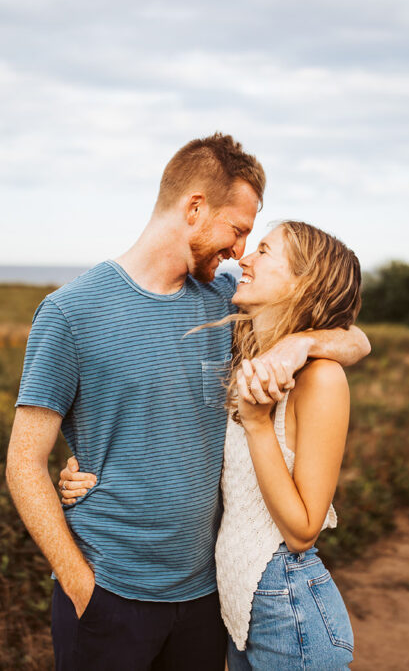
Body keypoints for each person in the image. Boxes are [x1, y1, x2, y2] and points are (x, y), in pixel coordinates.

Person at [6, 133, 370, 671]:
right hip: (109, 595)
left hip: (206, 601)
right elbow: (23, 463)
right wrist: (84, 590)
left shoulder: (227, 300)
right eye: (238, 230)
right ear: (195, 208)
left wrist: (301, 344)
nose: (241, 252)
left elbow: (355, 338)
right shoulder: (70, 313)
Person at [62, 221, 362, 669]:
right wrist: (91, 466)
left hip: (288, 605)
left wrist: (260, 422)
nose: (244, 258)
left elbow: (302, 532)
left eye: (263, 250)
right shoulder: (247, 353)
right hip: (238, 607)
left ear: (303, 281)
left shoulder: (321, 378)